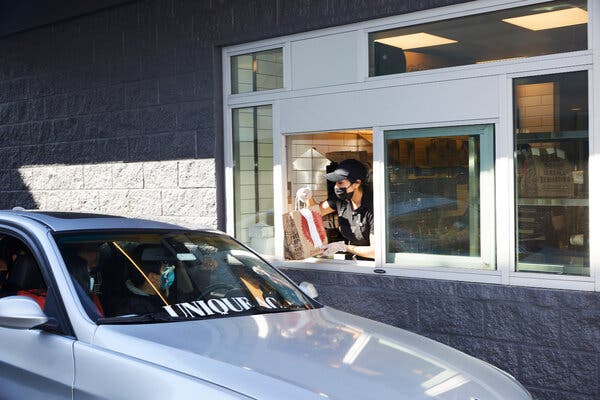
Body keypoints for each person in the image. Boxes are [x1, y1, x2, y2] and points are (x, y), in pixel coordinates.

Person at [307, 159, 375, 260]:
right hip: (354, 260)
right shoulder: (340, 200)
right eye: (335, 183)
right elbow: (314, 213)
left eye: (340, 183)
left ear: (356, 183)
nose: (336, 187)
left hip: (376, 265)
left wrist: (344, 247)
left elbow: (375, 252)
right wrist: (308, 197)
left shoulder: (373, 207)